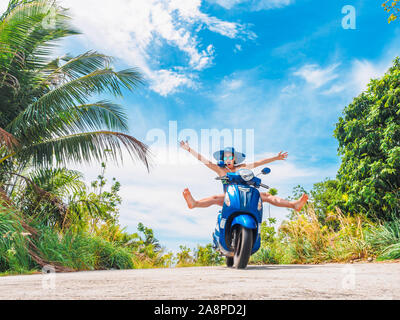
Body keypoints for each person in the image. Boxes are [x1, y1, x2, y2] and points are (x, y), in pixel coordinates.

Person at [180, 141, 308, 212]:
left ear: (234, 158)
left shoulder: (242, 167)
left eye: (230, 156)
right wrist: (188, 149)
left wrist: (276, 157)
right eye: (225, 157)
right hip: (229, 197)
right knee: (214, 197)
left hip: (246, 195)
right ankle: (194, 203)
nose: (228, 159)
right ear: (223, 159)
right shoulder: (220, 169)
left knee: (267, 196)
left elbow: (259, 162)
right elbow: (204, 160)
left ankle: (293, 204)